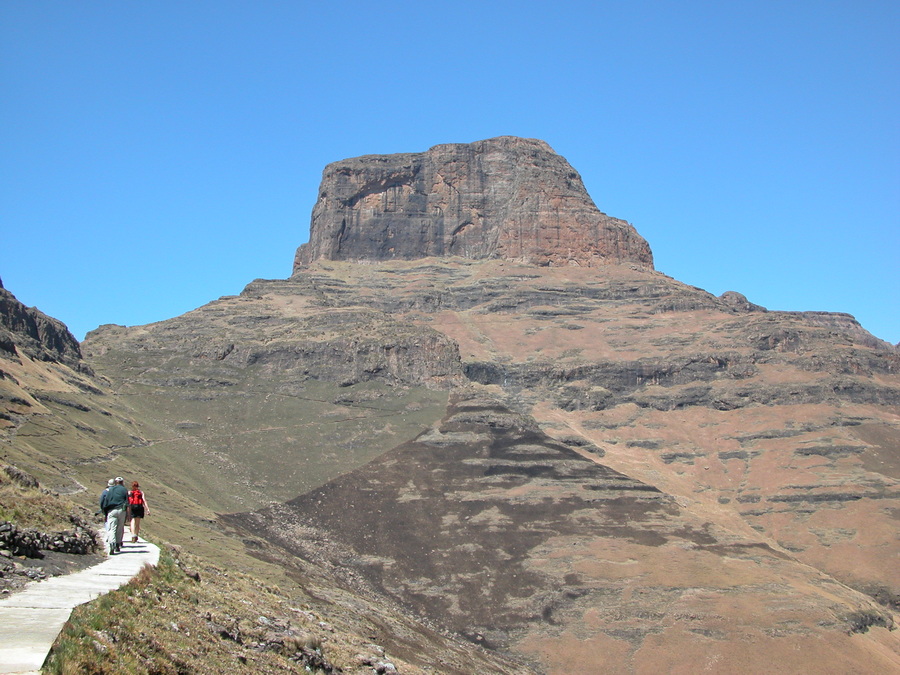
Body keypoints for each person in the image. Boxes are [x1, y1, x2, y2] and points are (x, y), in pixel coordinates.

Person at [101, 477, 128, 555]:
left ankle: (111, 543)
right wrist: (128, 514)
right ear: (122, 482)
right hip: (122, 510)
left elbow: (106, 501)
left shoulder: (111, 490)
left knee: (112, 528)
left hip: (111, 511)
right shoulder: (124, 490)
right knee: (119, 528)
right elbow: (127, 503)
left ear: (116, 482)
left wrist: (105, 513)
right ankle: (117, 544)